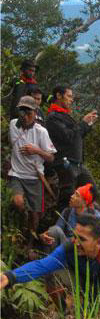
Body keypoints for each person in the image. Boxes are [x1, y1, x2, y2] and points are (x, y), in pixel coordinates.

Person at [1, 213, 100, 319]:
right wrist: (10, 277)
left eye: (82, 239)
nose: (76, 242)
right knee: (52, 272)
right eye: (75, 236)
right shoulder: (69, 249)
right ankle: (63, 310)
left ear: (98, 241)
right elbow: (41, 266)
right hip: (86, 287)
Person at [8, 96, 57, 243]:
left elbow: (51, 157)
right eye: (23, 112)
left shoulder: (41, 132)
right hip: (17, 174)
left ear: (35, 113)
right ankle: (19, 225)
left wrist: (37, 150)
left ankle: (30, 237)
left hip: (35, 177)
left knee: (36, 213)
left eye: (29, 113)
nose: (25, 116)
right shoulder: (13, 125)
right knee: (18, 202)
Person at [45, 85, 98, 209]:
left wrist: (87, 124)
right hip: (66, 163)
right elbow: (68, 136)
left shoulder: (64, 115)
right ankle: (62, 225)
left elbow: (77, 136)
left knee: (92, 192)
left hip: (78, 164)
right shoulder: (53, 117)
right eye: (69, 96)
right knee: (67, 198)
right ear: (58, 95)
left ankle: (84, 223)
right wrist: (83, 123)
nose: (71, 99)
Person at [40, 183, 100, 252]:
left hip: (83, 250)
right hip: (68, 247)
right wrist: (46, 235)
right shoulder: (68, 211)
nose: (72, 196)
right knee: (53, 231)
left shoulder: (96, 218)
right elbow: (57, 229)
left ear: (85, 202)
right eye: (74, 193)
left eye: (77, 195)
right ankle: (49, 259)